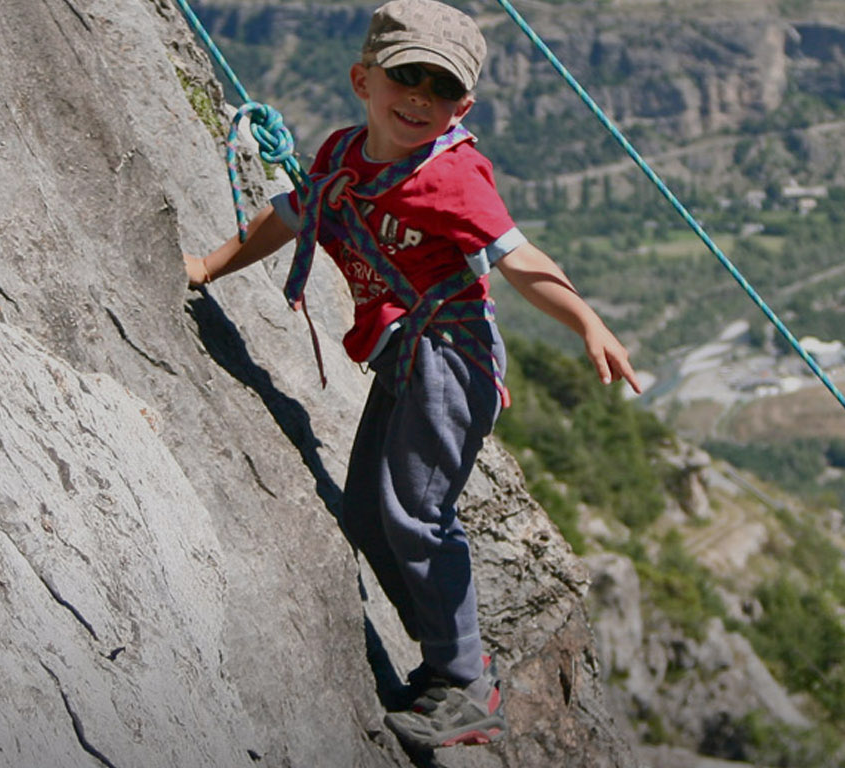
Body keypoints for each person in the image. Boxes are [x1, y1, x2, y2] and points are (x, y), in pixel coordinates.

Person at [181, 0, 639, 751]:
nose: (420, 97)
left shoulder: (454, 178)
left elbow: (520, 260)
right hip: (403, 355)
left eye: (441, 87)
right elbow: (293, 214)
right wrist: (207, 266)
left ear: (464, 106)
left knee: (415, 514)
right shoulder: (343, 155)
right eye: (406, 76)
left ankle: (466, 682)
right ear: (365, 78)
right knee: (368, 512)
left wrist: (587, 322)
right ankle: (443, 657)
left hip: (452, 363)